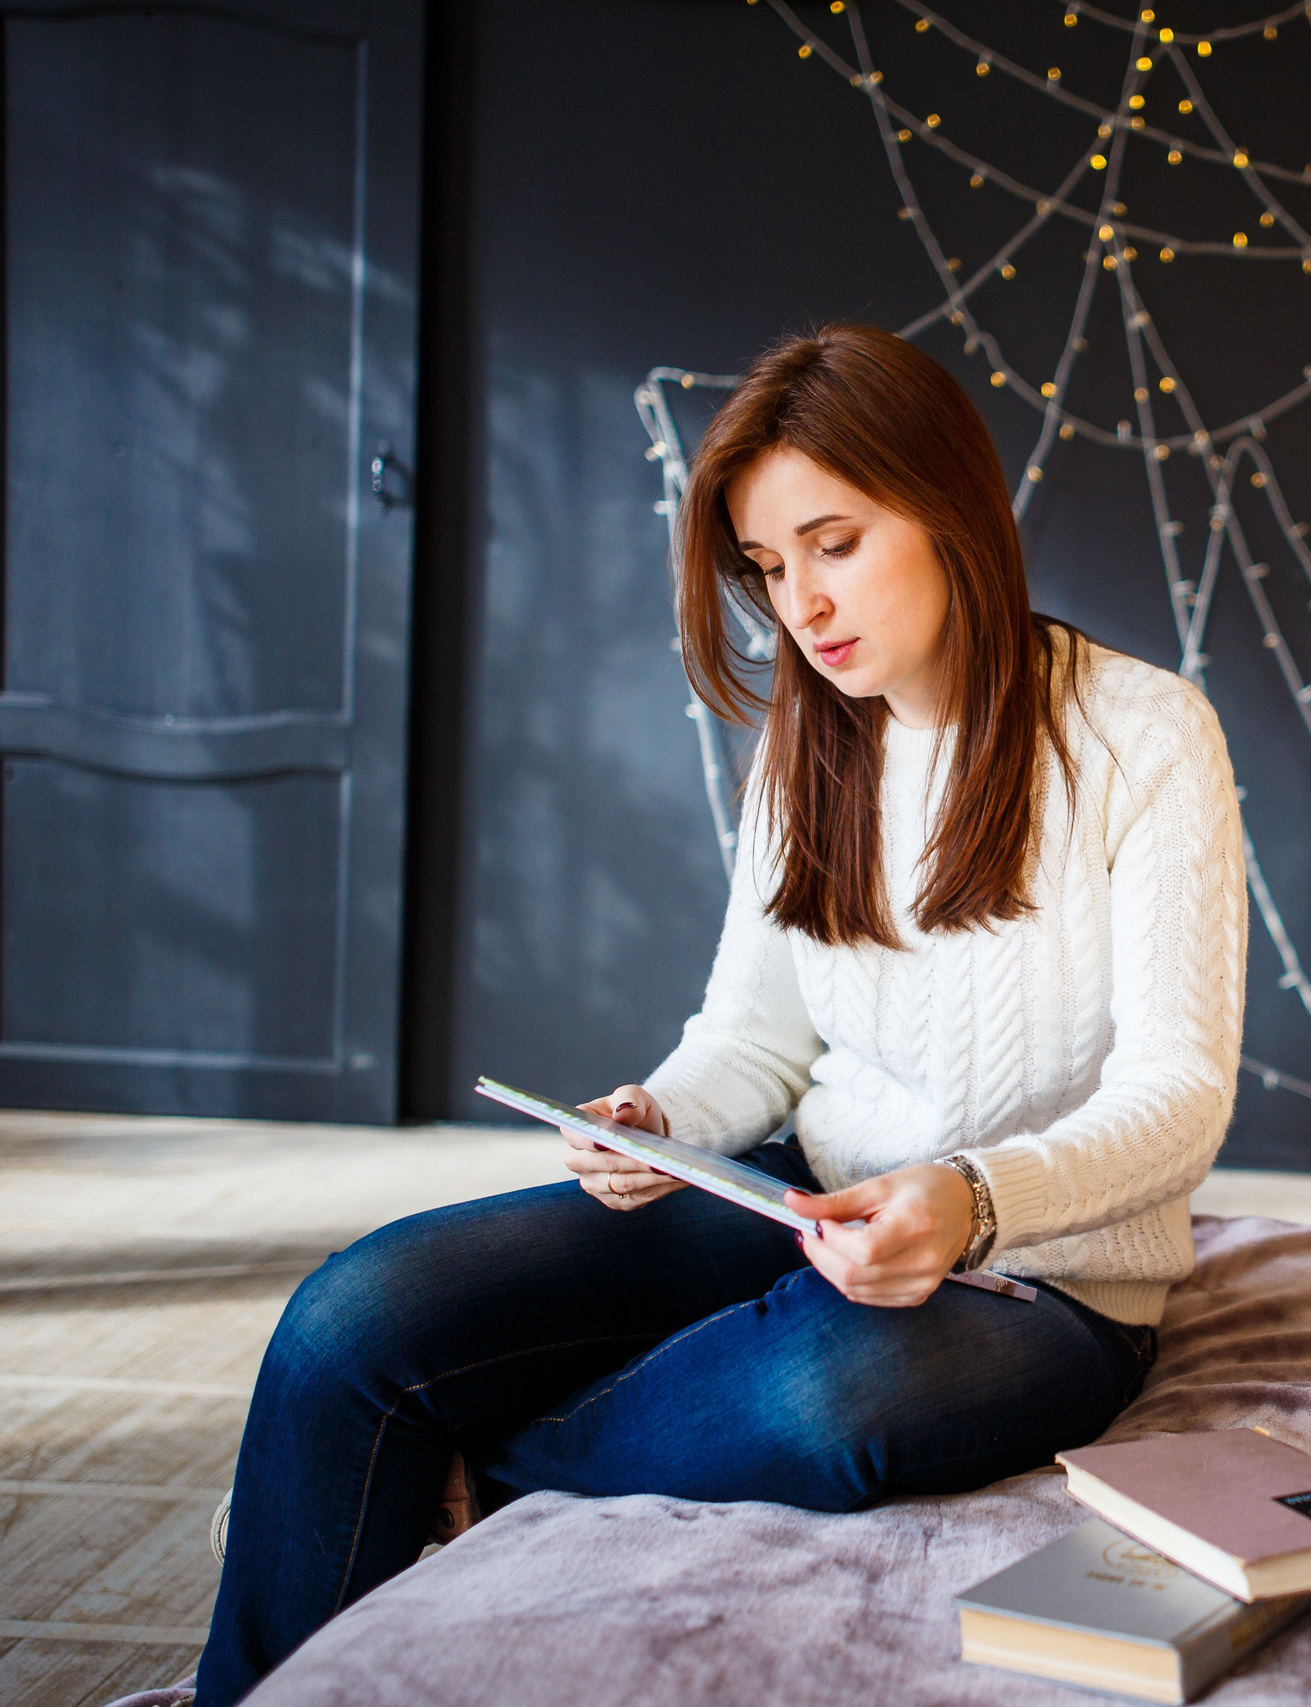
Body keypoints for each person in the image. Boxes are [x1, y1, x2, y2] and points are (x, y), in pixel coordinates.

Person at [192, 324, 1247, 1704]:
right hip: (802, 1200)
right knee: (355, 1314)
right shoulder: (810, 747)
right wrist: (660, 1118)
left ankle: (480, 1477)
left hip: (1053, 1276)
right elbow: (754, 1039)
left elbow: (1180, 1094)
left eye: (834, 540)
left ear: (950, 505)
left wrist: (971, 1201)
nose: (799, 603)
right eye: (767, 566)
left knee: (825, 1403)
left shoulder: (1144, 734)